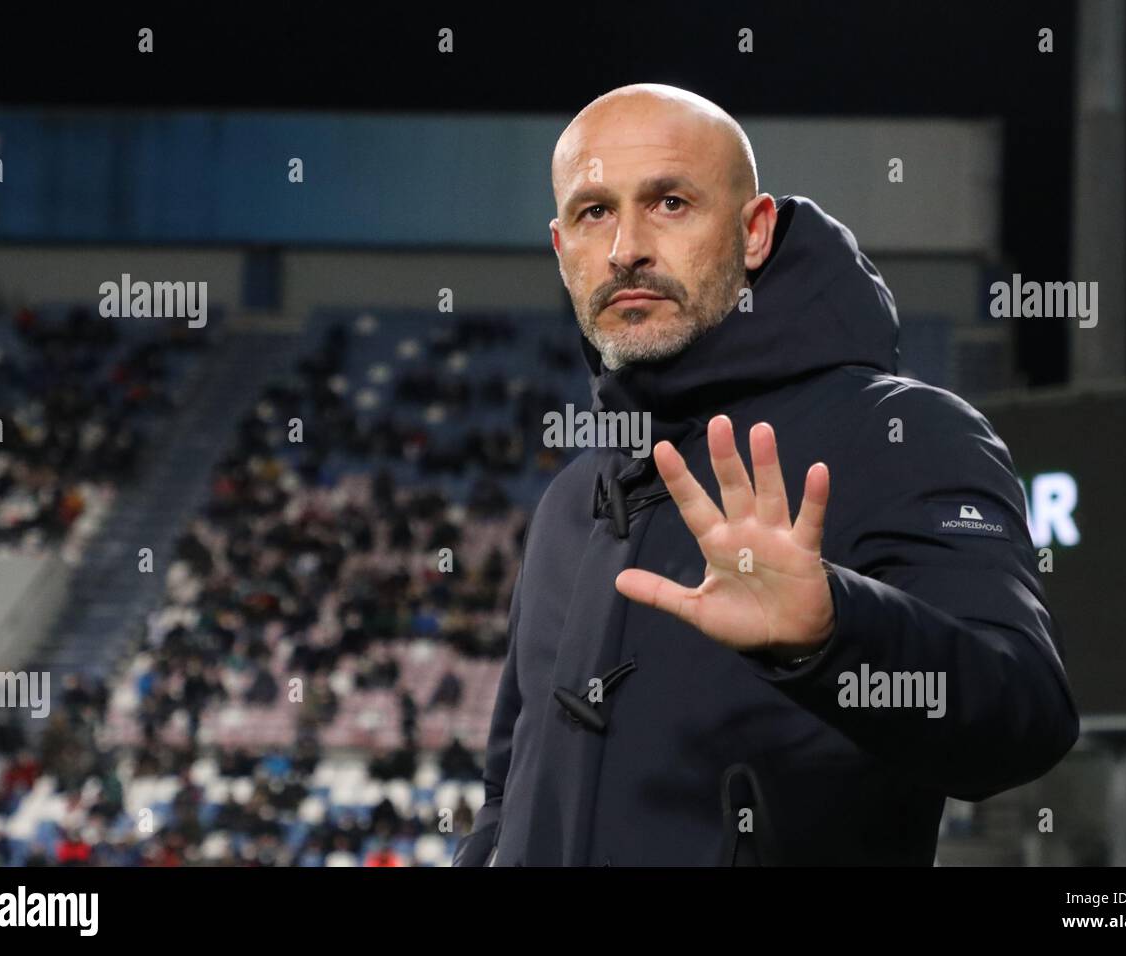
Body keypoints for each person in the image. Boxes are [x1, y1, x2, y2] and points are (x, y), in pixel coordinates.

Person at [454, 83, 1079, 866]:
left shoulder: (905, 433)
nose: (626, 249)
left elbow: (1025, 716)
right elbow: (508, 793)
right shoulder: (570, 499)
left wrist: (832, 632)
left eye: (671, 202)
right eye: (594, 213)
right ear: (561, 249)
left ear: (754, 232)